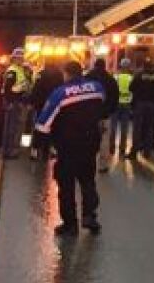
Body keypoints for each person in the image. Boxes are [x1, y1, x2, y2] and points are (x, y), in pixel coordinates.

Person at [35, 61, 106, 236]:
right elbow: (103, 106)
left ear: (66, 74)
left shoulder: (60, 94)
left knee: (66, 186)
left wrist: (41, 145)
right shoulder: (96, 88)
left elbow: (43, 124)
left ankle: (70, 225)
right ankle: (90, 216)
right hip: (90, 143)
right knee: (88, 181)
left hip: (68, 146)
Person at [84, 58, 119, 173]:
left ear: (94, 65)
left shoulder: (88, 77)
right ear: (105, 66)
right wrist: (110, 111)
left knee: (88, 138)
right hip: (104, 115)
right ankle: (103, 165)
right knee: (104, 139)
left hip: (89, 115)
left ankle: (87, 162)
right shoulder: (111, 79)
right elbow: (115, 97)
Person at [0, 48, 31, 159]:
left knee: (16, 127)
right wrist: (10, 102)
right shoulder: (12, 70)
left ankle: (12, 150)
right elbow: (8, 89)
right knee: (11, 128)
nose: (20, 59)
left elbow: (24, 85)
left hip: (18, 101)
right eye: (18, 58)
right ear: (13, 59)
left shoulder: (20, 70)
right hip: (13, 101)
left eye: (21, 58)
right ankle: (8, 151)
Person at [29, 62, 64, 161]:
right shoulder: (59, 75)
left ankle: (35, 150)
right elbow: (62, 89)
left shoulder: (41, 74)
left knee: (39, 126)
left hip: (42, 105)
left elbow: (36, 89)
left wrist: (33, 102)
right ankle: (52, 149)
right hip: (55, 105)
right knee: (54, 126)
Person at [109, 59, 134, 157]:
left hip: (117, 104)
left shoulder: (116, 77)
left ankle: (111, 148)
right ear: (128, 67)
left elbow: (112, 90)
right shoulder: (131, 78)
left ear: (121, 66)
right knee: (124, 127)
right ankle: (122, 149)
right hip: (127, 104)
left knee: (113, 126)